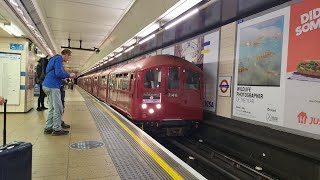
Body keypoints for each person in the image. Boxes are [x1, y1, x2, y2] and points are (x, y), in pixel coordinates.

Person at [42, 49, 76, 136]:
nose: (69, 59)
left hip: (47, 85)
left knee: (52, 107)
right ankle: (57, 129)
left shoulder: (55, 59)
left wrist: (62, 80)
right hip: (52, 86)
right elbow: (58, 73)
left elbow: (56, 73)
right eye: (69, 56)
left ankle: (48, 127)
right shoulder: (59, 59)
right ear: (65, 54)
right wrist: (69, 75)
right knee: (58, 108)